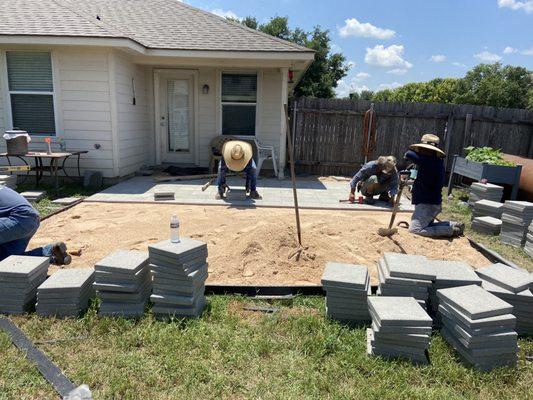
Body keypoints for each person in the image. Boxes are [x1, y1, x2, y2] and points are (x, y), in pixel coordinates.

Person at [404, 134, 464, 238]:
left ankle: (450, 230)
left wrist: (418, 153)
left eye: (421, 149)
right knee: (428, 225)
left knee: (415, 229)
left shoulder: (428, 161)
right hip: (431, 203)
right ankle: (452, 224)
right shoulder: (436, 162)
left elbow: (409, 154)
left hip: (427, 205)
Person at [0, 185, 71, 264]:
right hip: (32, 220)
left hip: (17, 218)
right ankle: (49, 253)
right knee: (7, 260)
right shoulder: (3, 188)